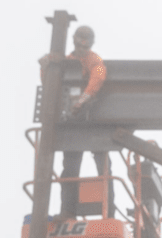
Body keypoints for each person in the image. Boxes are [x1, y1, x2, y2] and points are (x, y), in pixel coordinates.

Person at [38, 25, 111, 220]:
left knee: (102, 166)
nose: (81, 50)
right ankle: (68, 212)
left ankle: (108, 213)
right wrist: (46, 68)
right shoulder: (67, 62)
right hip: (72, 123)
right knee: (70, 167)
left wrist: (84, 98)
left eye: (85, 46)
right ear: (74, 41)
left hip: (95, 123)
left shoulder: (94, 61)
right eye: (79, 45)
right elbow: (51, 85)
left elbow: (98, 76)